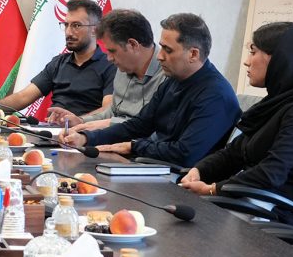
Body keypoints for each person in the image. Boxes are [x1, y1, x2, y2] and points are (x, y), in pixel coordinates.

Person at [179, 22, 293, 226]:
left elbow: (272, 173)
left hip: (272, 215)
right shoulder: (277, 103)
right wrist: (199, 171)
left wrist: (213, 189)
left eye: (253, 52)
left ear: (279, 58)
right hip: (248, 204)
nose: (246, 62)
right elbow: (234, 152)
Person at [60, 13, 240, 167]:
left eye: (168, 50)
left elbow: (185, 154)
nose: (160, 56)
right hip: (153, 166)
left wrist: (133, 146)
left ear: (193, 54)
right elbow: (138, 125)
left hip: (179, 181)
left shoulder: (216, 95)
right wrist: (86, 138)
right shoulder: (173, 81)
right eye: (161, 47)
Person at [0, 0, 115, 124]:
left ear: (95, 29)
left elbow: (109, 109)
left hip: (86, 131)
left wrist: (78, 120)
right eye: (66, 25)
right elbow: (23, 97)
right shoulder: (58, 63)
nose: (68, 32)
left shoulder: (111, 65)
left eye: (76, 25)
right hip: (52, 130)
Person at [53, 9, 166, 131]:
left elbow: (156, 126)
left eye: (112, 51)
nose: (109, 58)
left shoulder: (169, 73)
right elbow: (112, 111)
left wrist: (108, 124)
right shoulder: (124, 66)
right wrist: (81, 121)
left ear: (133, 45)